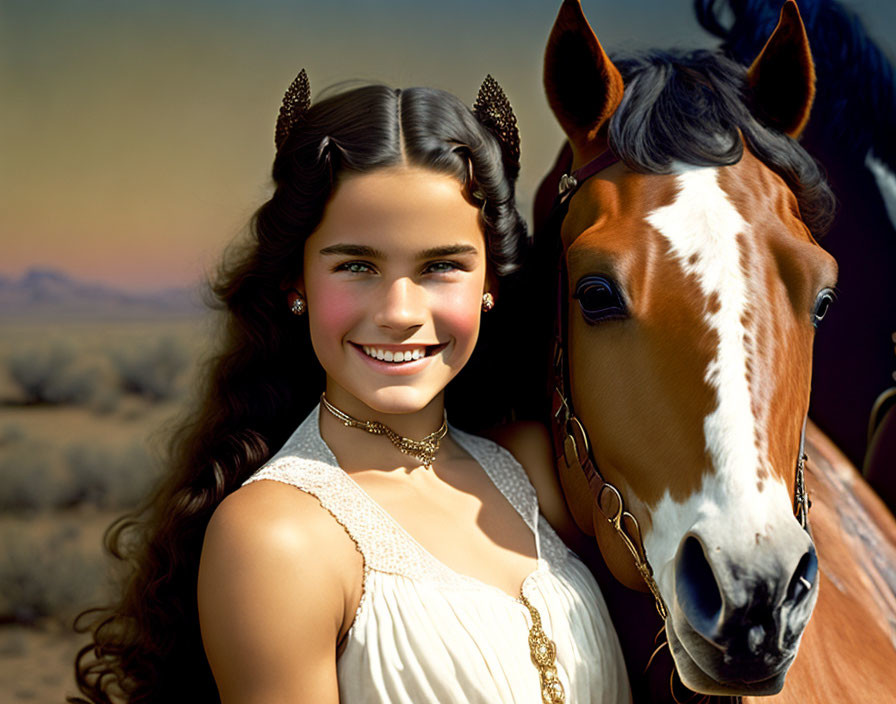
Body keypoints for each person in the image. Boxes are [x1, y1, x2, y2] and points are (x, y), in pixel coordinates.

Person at [71, 71, 629, 704]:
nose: (399, 310)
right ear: (296, 283)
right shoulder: (277, 536)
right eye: (357, 266)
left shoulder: (533, 468)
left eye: (441, 266)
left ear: (491, 282)